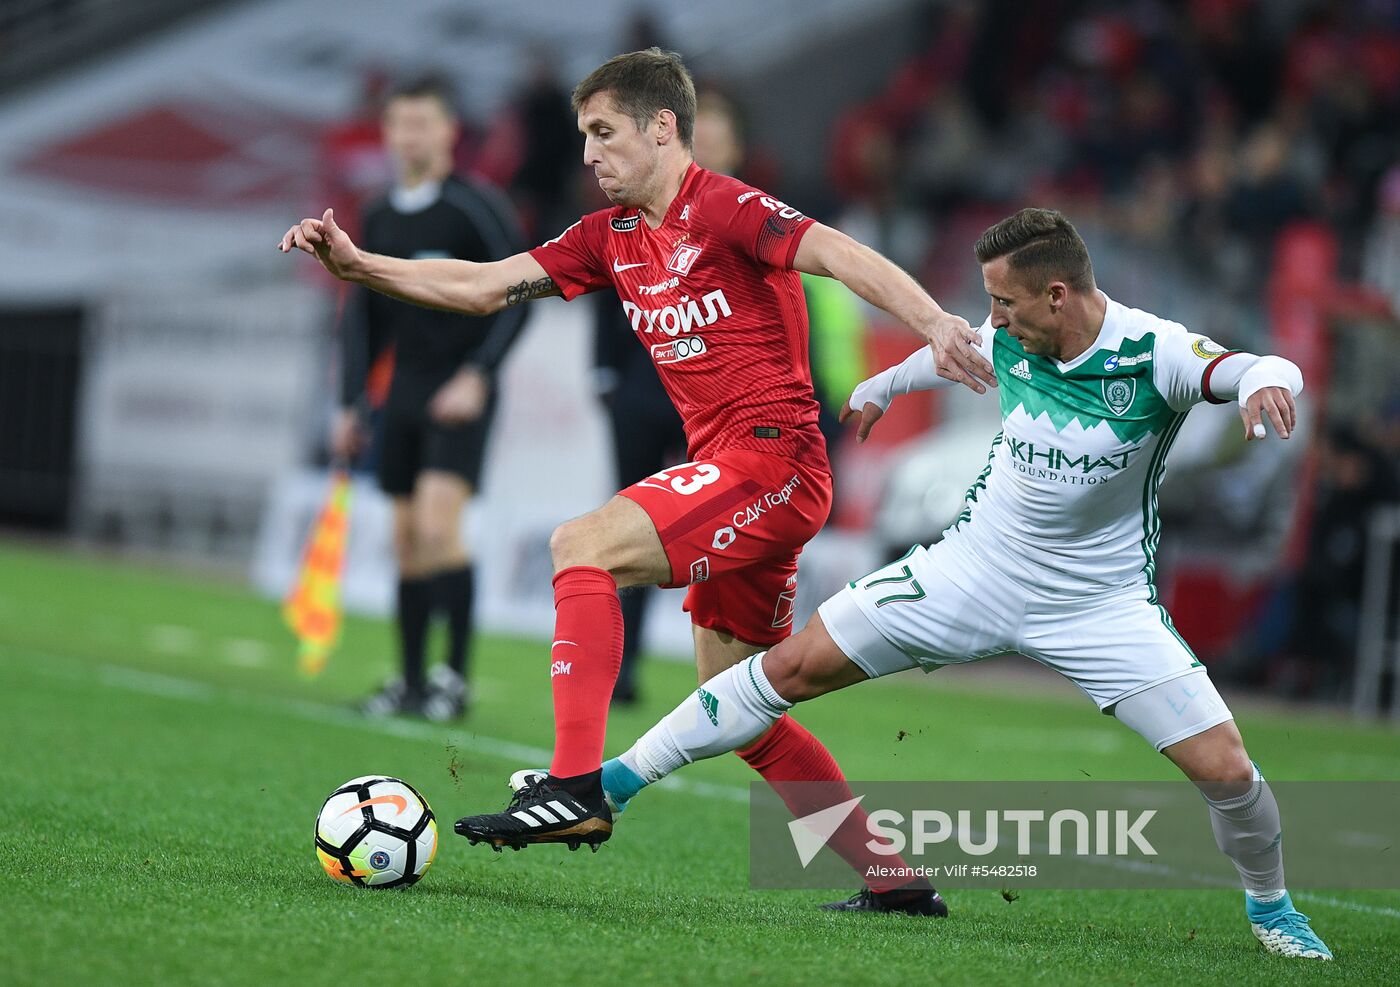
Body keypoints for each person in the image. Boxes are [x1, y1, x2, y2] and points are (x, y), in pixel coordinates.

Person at [281, 48, 990, 915]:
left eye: (604, 132)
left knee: (580, 544)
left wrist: (937, 324)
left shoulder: (722, 206)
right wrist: (363, 267)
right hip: (735, 471)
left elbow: (838, 252)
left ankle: (575, 786)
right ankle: (894, 879)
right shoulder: (609, 235)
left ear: (663, 129)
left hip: (772, 460)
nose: (588, 154)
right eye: (582, 135)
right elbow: (483, 286)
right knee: (739, 709)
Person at [600, 209, 1334, 959]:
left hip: (1099, 604)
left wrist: (1263, 385)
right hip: (972, 570)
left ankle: (1272, 907)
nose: (993, 321)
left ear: (1057, 295)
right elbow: (952, 352)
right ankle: (610, 784)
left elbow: (1255, 365)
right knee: (787, 667)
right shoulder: (1012, 337)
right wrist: (885, 385)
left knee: (1229, 769)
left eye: (1004, 304)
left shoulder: (1154, 351)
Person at [333, 75, 529, 722]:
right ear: (387, 133)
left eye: (423, 123)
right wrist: (350, 402)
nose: (410, 136)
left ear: (449, 133)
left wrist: (478, 373)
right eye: (400, 124)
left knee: (440, 529)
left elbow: (520, 292)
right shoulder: (378, 214)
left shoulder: (476, 206)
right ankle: (411, 683)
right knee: (407, 540)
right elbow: (363, 316)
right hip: (406, 393)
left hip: (460, 391)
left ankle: (454, 679)